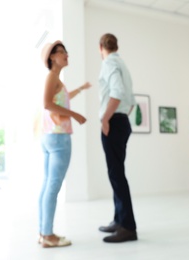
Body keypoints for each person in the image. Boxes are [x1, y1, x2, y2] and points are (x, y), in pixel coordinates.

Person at [38, 40, 91, 248]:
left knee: (47, 186)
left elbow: (63, 98)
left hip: (50, 136)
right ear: (52, 57)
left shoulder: (56, 80)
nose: (67, 55)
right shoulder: (52, 77)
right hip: (58, 137)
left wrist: (81, 88)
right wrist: (75, 115)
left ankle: (43, 232)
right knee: (52, 186)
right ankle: (48, 235)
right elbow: (47, 104)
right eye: (62, 52)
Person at [97, 33, 137, 243]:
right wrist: (119, 117)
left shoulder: (108, 63)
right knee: (116, 173)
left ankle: (128, 227)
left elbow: (118, 92)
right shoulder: (123, 64)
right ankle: (119, 220)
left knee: (116, 174)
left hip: (113, 123)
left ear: (100, 47)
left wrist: (106, 118)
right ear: (117, 45)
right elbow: (131, 102)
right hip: (122, 122)